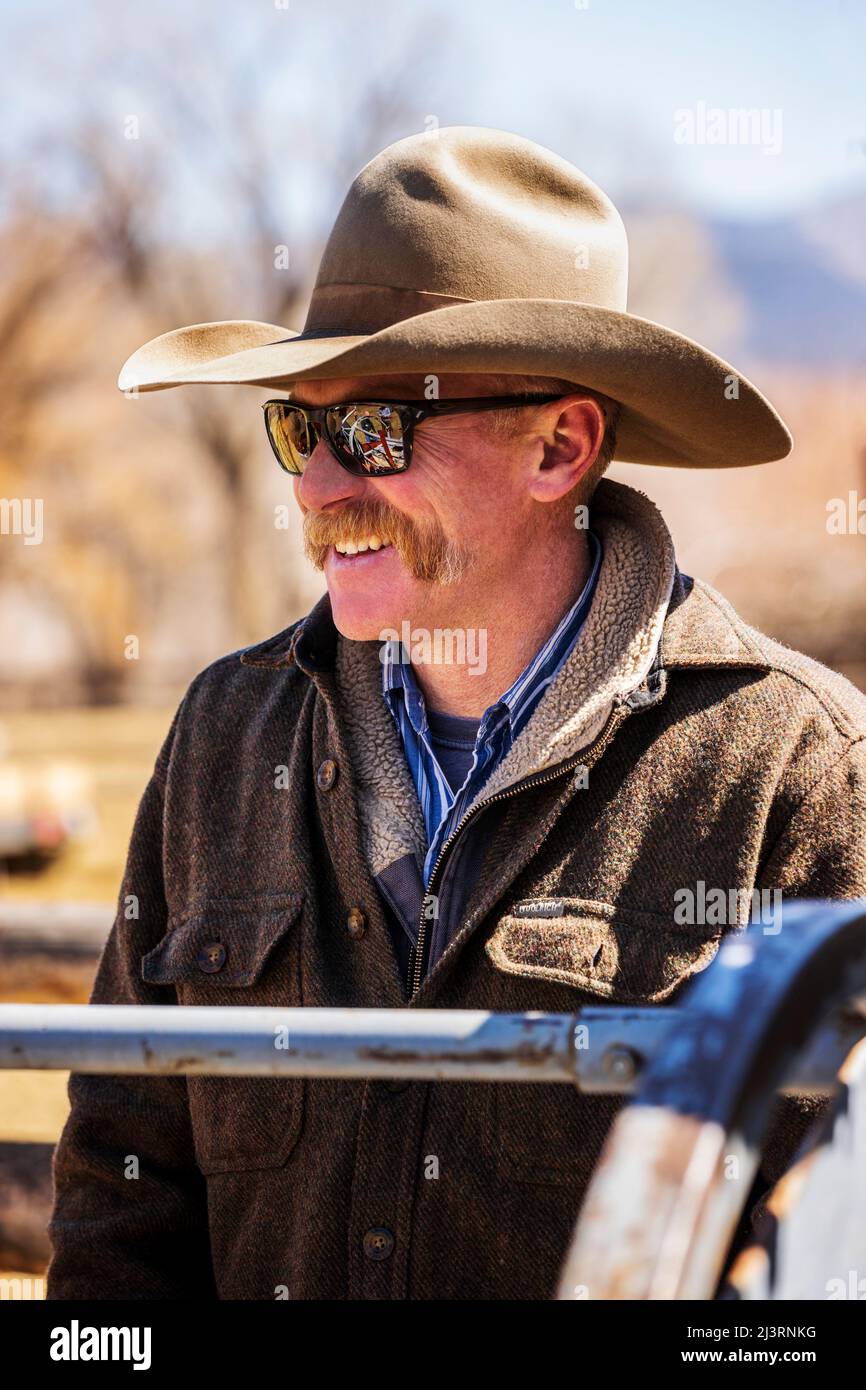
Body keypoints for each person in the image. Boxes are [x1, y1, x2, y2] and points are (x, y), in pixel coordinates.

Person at [47, 126, 866, 1300]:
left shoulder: (794, 773)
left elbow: (815, 1268)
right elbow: (123, 1193)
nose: (319, 486)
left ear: (558, 445)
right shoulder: (226, 734)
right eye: (298, 426)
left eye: (373, 430)